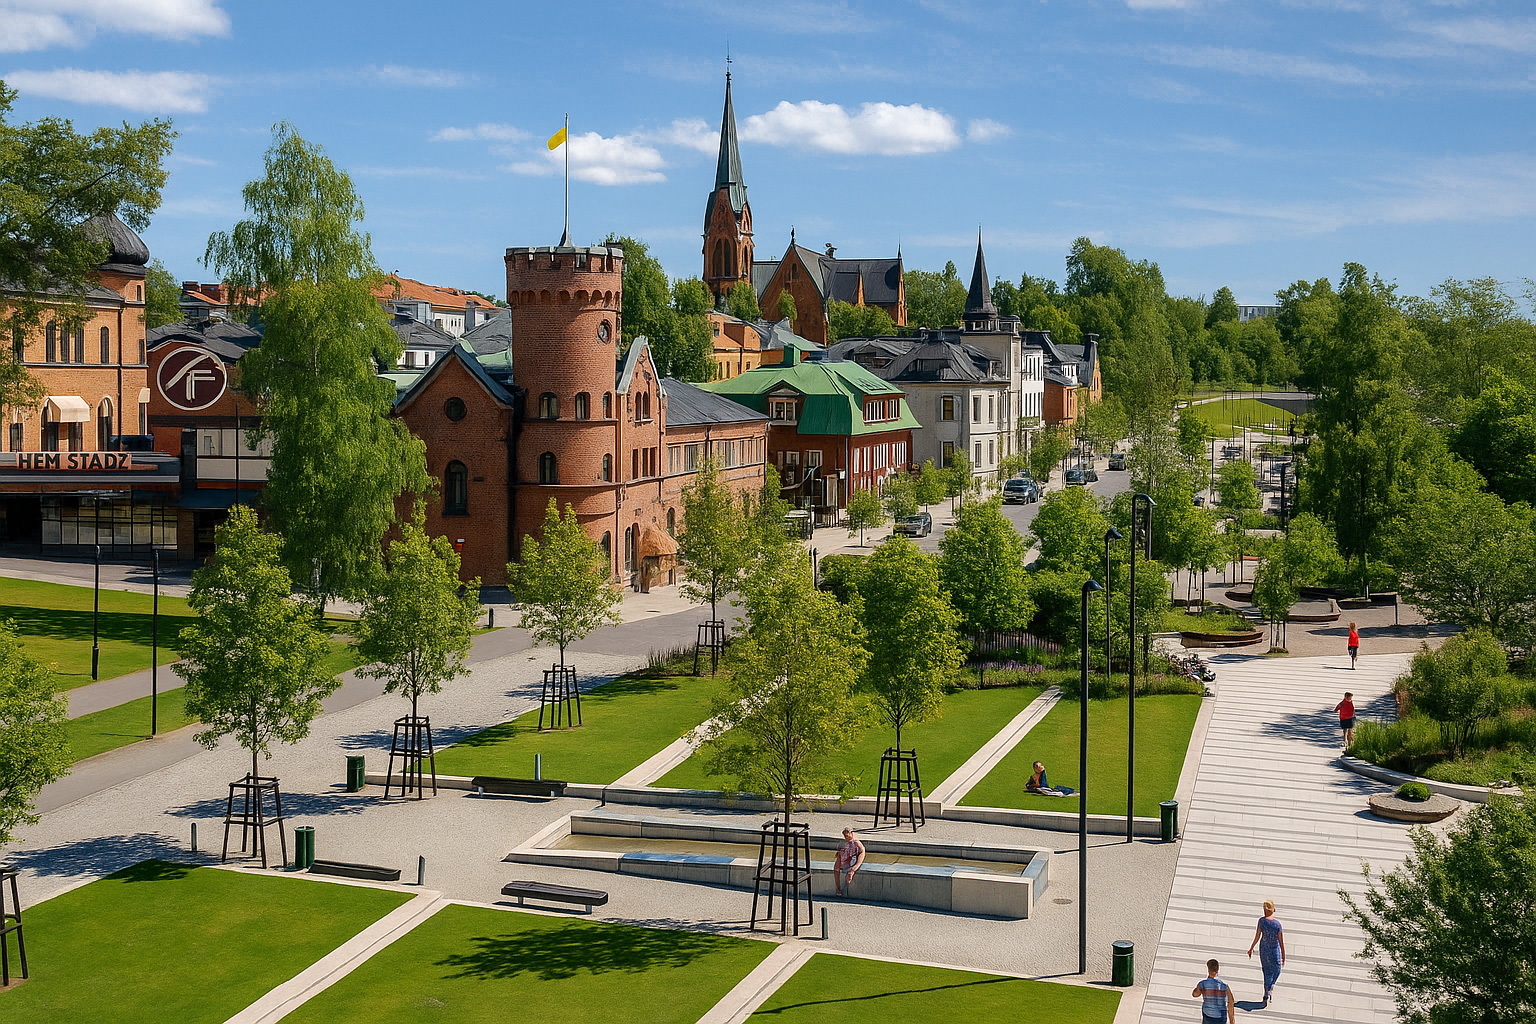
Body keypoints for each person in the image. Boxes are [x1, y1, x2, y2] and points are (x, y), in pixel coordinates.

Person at [1247, 900, 1286, 1005]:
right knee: (1277, 969)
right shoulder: (1277, 924)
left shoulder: (1262, 921)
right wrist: (1283, 954)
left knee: (1267, 971)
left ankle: (1267, 991)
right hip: (1274, 949)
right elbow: (1281, 941)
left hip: (1264, 948)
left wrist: (1251, 947)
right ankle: (1270, 988)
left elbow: (1257, 936)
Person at [833, 827, 865, 897]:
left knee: (847, 867)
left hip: (851, 860)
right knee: (836, 868)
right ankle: (838, 888)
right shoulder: (845, 843)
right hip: (844, 859)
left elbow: (862, 851)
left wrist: (854, 868)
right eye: (845, 836)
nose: (846, 837)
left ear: (851, 834)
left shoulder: (856, 842)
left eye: (847, 835)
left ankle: (850, 874)